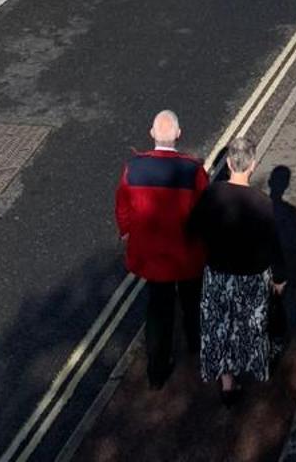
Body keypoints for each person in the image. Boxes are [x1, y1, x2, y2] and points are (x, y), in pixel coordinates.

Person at [187, 136, 287, 404]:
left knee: (219, 327)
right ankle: (255, 366)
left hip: (218, 276)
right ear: (253, 165)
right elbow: (274, 247)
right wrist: (279, 278)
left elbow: (192, 230)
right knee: (250, 327)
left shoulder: (212, 194)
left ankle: (227, 383)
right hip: (252, 279)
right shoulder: (264, 204)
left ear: (229, 163)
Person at [115, 109, 208, 388]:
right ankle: (195, 345)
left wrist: (127, 230)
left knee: (158, 310)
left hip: (152, 256)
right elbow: (203, 212)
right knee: (193, 301)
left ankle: (156, 372)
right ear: (178, 135)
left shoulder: (133, 168)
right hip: (187, 253)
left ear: (152, 133)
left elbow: (123, 207)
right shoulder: (193, 169)